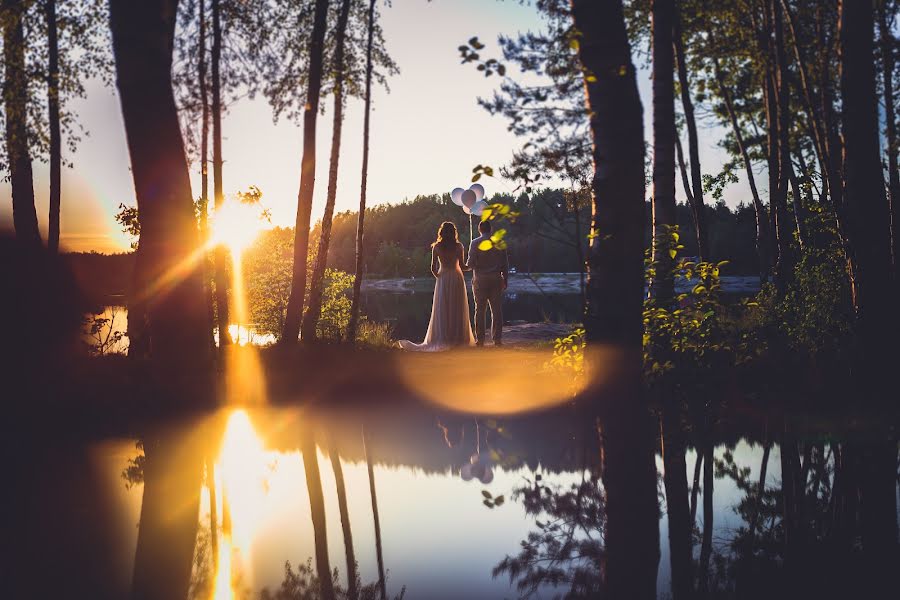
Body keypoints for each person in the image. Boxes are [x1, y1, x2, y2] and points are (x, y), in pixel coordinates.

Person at [397, 222, 476, 351]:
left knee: (443, 308)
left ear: (441, 232)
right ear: (454, 232)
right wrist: (472, 265)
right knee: (457, 307)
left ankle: (443, 337)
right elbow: (462, 266)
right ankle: (458, 338)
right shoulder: (459, 246)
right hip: (456, 278)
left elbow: (432, 267)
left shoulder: (437, 247)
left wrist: (440, 277)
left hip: (443, 278)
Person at [467, 219, 509, 346]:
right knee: (496, 310)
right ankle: (497, 339)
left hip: (480, 279)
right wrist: (505, 279)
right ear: (490, 229)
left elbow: (470, 263)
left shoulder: (475, 242)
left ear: (480, 230)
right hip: (496, 278)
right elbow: (505, 263)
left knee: (479, 310)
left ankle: (480, 340)